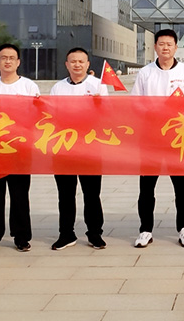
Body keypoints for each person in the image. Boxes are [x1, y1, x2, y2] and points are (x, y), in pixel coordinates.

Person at [131, 29, 184, 248]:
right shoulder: (145, 73)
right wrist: (153, 112)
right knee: (146, 187)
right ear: (155, 47)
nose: (165, 47)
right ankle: (145, 230)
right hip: (151, 137)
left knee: (182, 188)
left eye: (169, 44)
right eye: (161, 44)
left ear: (176, 47)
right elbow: (135, 102)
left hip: (178, 137)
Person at [0, 43, 40, 253]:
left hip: (19, 148)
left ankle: (21, 236)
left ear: (18, 62)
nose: (7, 61)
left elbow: (36, 115)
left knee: (20, 194)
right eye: (3, 58)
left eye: (11, 58)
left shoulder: (29, 86)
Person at [49, 47, 107, 251]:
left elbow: (107, 115)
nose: (77, 65)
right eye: (73, 61)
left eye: (81, 61)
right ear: (66, 64)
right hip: (64, 147)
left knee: (92, 193)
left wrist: (100, 105)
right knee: (65, 194)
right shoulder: (58, 88)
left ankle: (95, 233)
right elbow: (52, 115)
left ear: (88, 64)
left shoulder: (98, 86)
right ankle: (66, 234)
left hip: (90, 147)